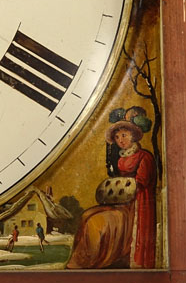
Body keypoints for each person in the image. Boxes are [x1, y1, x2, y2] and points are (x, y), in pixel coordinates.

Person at [67, 111, 157, 269]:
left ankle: (95, 259)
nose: (120, 140)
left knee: (97, 221)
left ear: (133, 136)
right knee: (87, 215)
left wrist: (120, 189)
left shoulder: (145, 157)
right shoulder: (122, 159)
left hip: (136, 206)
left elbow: (140, 184)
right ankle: (81, 260)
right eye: (117, 137)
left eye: (123, 135)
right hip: (122, 203)